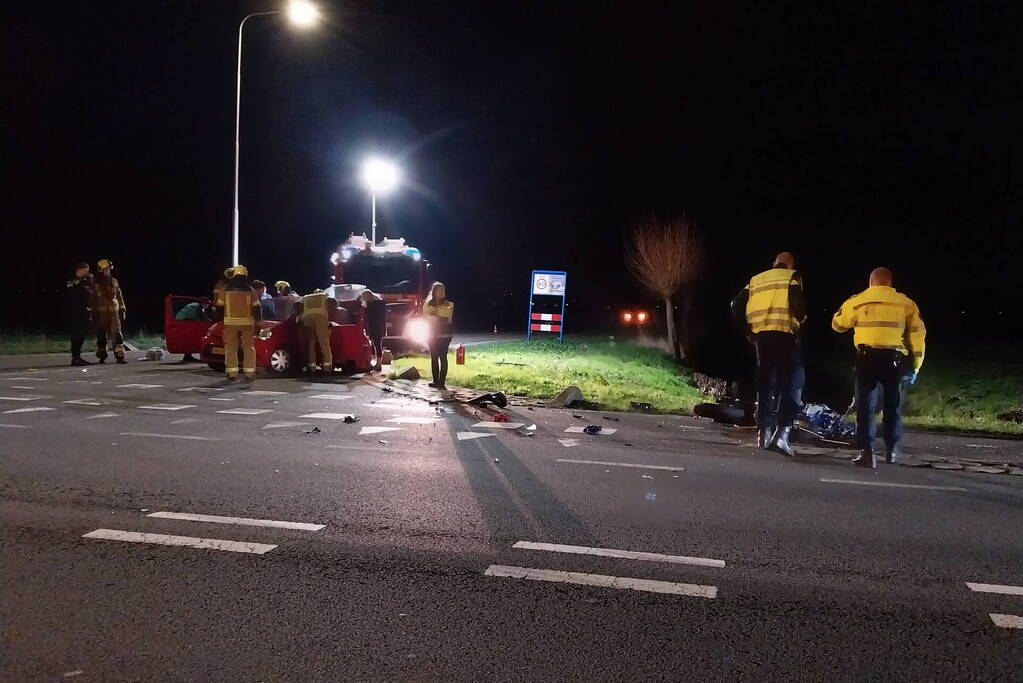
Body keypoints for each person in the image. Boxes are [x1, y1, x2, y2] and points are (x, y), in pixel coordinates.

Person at [832, 267, 926, 468]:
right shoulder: (906, 303)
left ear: (870, 282)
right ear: (890, 283)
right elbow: (918, 337)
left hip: (867, 358)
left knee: (866, 406)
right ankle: (892, 452)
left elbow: (838, 325)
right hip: (894, 359)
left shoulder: (857, 301)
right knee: (893, 405)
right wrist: (915, 367)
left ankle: (868, 454)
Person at [730, 252, 807, 455]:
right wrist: (803, 319)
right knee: (793, 382)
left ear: (774, 263)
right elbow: (797, 304)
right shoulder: (792, 277)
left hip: (762, 337)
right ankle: (782, 434)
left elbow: (736, 305)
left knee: (766, 384)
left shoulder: (756, 279)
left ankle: (763, 433)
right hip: (784, 335)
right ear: (791, 265)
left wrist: (748, 331)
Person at [217, 264, 261, 382]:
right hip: (247, 324)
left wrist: (218, 321)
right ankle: (249, 372)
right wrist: (258, 324)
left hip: (230, 323)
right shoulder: (251, 290)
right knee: (248, 347)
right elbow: (257, 309)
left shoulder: (225, 289)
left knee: (231, 347)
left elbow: (219, 307)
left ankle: (231, 373)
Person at [91, 259, 128, 364]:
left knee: (117, 334)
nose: (107, 271)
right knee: (101, 334)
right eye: (105, 269)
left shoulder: (114, 281)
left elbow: (119, 296)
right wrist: (92, 311)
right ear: (100, 270)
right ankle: (102, 355)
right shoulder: (95, 283)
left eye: (108, 269)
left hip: (114, 312)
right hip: (101, 312)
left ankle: (120, 356)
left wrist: (123, 309)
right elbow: (92, 298)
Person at [424, 282, 454, 389]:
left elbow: (446, 319)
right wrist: (436, 316)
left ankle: (441, 382)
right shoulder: (428, 304)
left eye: (443, 290)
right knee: (434, 357)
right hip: (431, 334)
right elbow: (427, 318)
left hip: (444, 335)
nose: (442, 293)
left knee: (443, 357)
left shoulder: (448, 304)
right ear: (434, 292)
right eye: (440, 290)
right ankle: (435, 380)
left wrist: (435, 315)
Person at [66, 262, 93, 366]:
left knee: (82, 335)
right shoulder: (72, 280)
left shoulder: (87, 281)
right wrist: (83, 280)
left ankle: (78, 357)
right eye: (86, 270)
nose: (88, 272)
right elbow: (72, 289)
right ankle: (75, 357)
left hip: (84, 312)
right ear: (80, 269)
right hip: (75, 312)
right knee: (76, 334)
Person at [300, 288, 332, 374]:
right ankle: (326, 367)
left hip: (307, 318)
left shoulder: (306, 297)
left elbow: (297, 305)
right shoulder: (324, 296)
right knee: (323, 341)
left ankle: (312, 367)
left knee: (311, 342)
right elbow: (334, 303)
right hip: (320, 317)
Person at [360, 289, 386, 370]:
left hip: (375, 327)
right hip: (379, 327)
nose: (363, 300)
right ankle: (378, 364)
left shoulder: (373, 305)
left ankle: (378, 364)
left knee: (377, 345)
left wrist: (365, 308)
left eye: (364, 298)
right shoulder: (380, 303)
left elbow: (369, 316)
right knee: (377, 345)